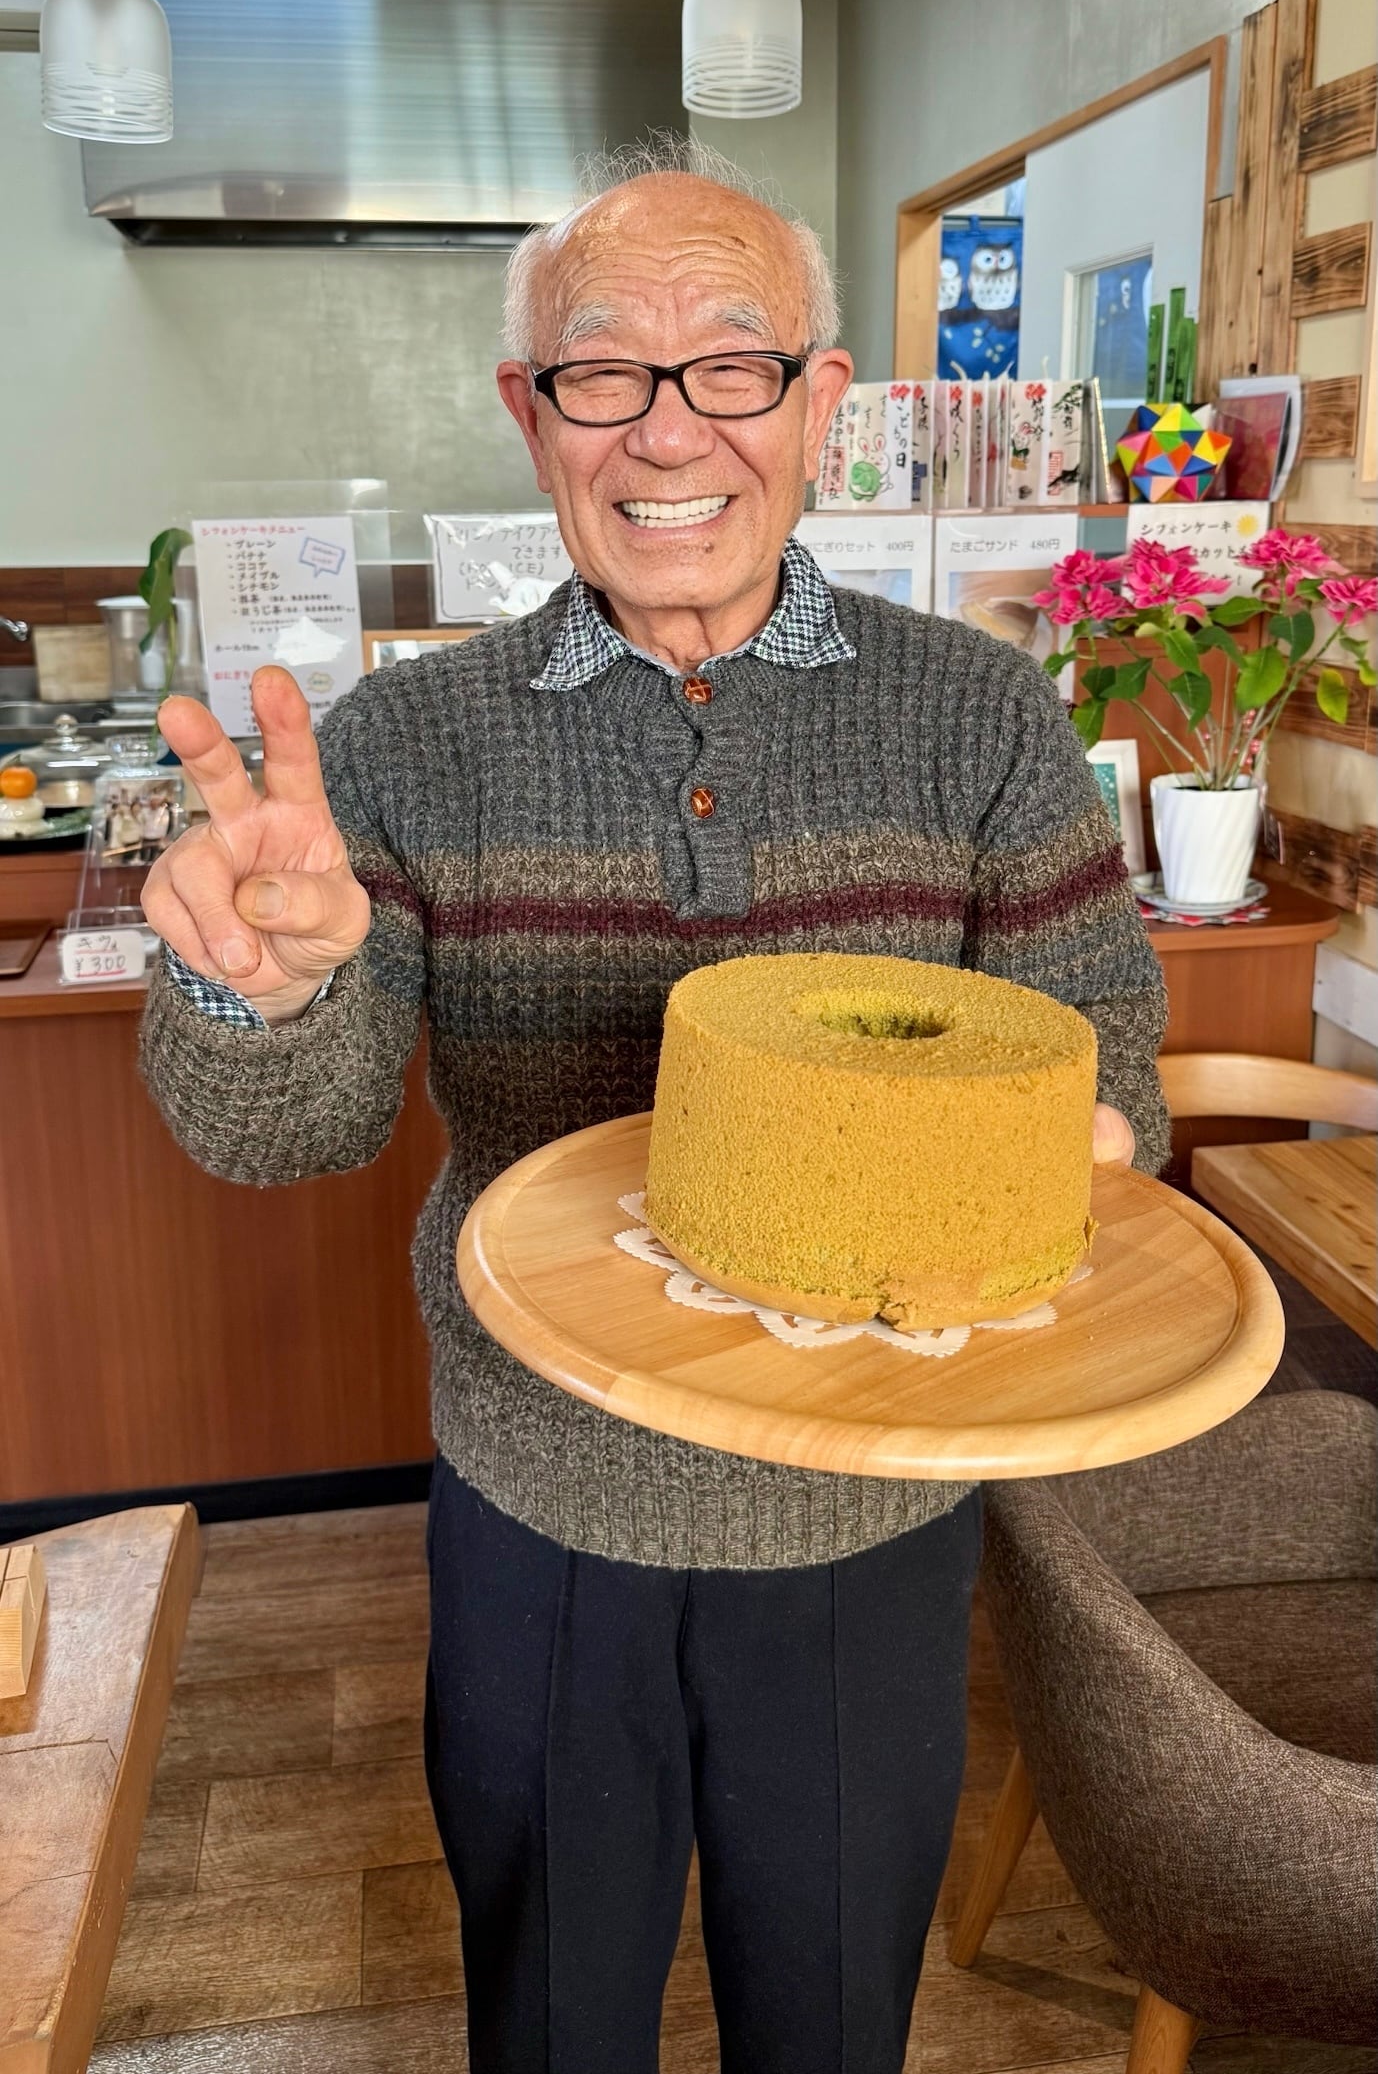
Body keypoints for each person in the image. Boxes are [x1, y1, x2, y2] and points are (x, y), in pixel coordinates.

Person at [140, 135, 1167, 2074]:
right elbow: (294, 1126)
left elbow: (1108, 1063)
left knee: (831, 2014)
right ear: (531, 415)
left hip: (870, 1506)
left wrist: (1055, 1153)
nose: (668, 428)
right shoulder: (409, 739)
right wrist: (258, 990)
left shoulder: (977, 714)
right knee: (550, 2012)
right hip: (539, 1497)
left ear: (821, 404)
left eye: (733, 365)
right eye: (602, 370)